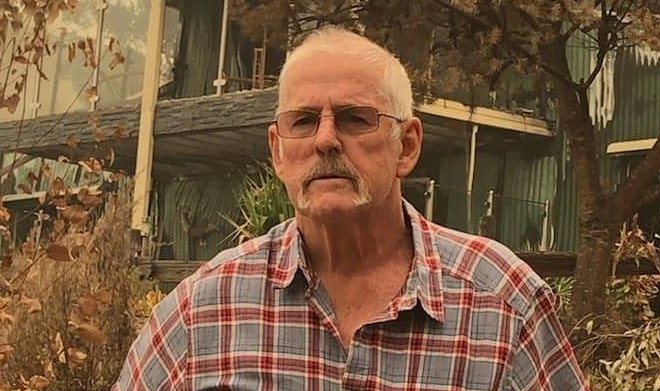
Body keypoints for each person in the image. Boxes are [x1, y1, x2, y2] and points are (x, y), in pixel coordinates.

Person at [113, 26, 589, 390]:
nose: (325, 139)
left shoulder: (503, 304)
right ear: (278, 151)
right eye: (302, 120)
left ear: (406, 145)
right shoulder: (206, 312)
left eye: (354, 118)